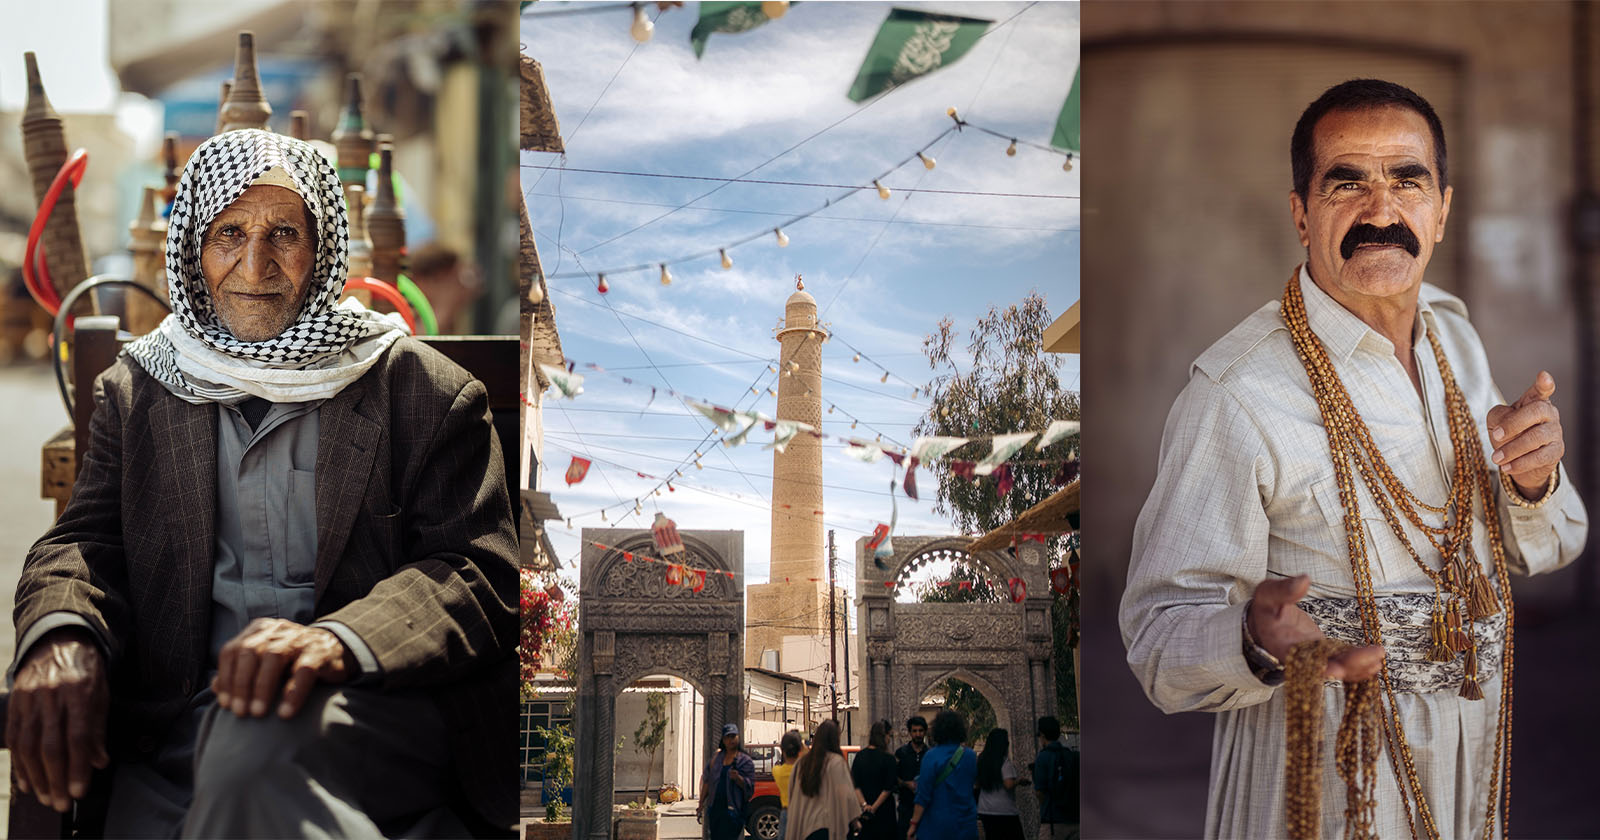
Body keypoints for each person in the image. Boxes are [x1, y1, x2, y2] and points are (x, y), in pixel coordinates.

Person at [7, 129, 519, 837]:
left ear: (323, 249)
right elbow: (84, 544)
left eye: (284, 231)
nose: (255, 262)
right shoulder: (141, 390)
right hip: (175, 733)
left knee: (252, 747)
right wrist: (61, 633)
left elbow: (479, 572)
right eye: (228, 233)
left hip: (365, 717)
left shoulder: (422, 393)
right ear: (194, 249)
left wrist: (339, 640)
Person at [1120, 78, 1588, 838]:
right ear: (1302, 215)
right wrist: (1251, 636)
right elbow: (1156, 639)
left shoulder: (1453, 338)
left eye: (1408, 180)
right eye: (1347, 182)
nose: (1381, 211)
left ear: (1441, 209)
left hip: (1473, 770)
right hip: (1323, 782)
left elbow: (1548, 546)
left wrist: (1530, 483)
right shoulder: (1236, 393)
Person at [907, 710, 977, 840]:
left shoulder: (931, 756)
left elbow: (923, 795)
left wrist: (914, 823)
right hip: (966, 824)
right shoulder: (970, 756)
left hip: (937, 825)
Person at [786, 719, 861, 840]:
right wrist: (855, 820)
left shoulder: (802, 763)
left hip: (806, 827)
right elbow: (847, 795)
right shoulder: (836, 762)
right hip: (828, 826)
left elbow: (792, 794)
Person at [698, 723, 756, 840]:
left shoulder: (745, 761)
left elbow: (750, 787)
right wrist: (701, 804)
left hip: (734, 810)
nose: (731, 740)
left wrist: (738, 778)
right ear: (723, 740)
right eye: (728, 737)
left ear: (738, 738)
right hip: (716, 810)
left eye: (733, 736)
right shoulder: (716, 758)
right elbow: (707, 781)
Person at [1030, 717, 1077, 840]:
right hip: (1075, 819)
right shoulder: (1070, 755)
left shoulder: (1043, 757)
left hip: (1053, 822)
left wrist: (1045, 807)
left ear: (1042, 735)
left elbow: (1040, 792)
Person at [852, 720, 899, 840]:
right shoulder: (889, 759)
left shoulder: (860, 756)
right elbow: (888, 788)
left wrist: (865, 805)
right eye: (889, 735)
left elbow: (855, 785)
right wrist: (874, 807)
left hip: (864, 813)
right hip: (884, 813)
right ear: (885, 736)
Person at [973, 727, 1022, 840]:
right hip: (1005, 810)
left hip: (985, 809)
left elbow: (977, 783)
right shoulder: (1004, 762)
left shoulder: (981, 760)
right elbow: (1008, 784)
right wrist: (1019, 781)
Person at [893, 715, 929, 840]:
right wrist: (905, 783)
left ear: (925, 732)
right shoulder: (901, 753)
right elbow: (894, 777)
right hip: (906, 806)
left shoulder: (930, 754)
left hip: (926, 808)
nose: (918, 734)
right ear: (910, 732)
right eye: (915, 731)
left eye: (920, 731)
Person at [774, 730, 806, 840]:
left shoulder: (777, 771)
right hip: (804, 812)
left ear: (783, 751)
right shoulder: (805, 770)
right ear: (800, 749)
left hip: (786, 812)